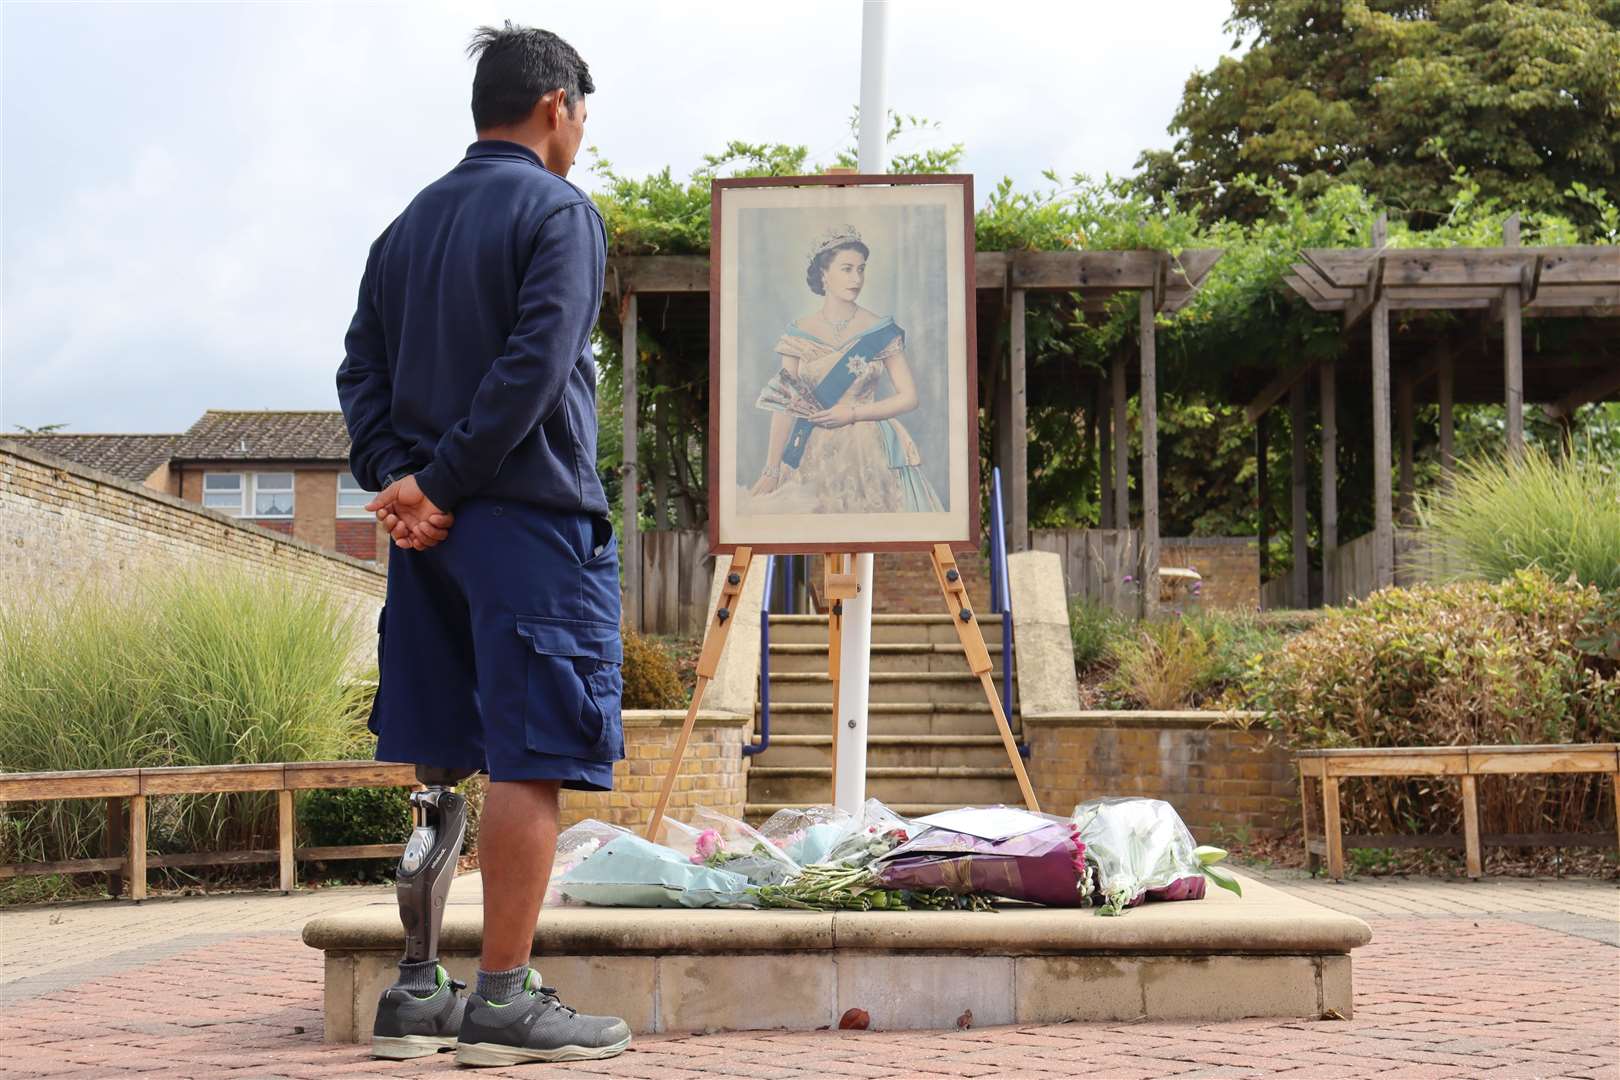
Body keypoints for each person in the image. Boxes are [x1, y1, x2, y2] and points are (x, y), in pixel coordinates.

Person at [335, 22, 630, 1068]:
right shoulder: (559, 212)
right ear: (556, 105)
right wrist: (445, 481)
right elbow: (537, 365)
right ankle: (503, 999)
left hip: (429, 538)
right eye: (584, 113)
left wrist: (399, 482)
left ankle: (417, 991)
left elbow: (358, 370)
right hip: (526, 525)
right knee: (531, 755)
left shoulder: (405, 226)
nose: (584, 132)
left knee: (437, 752)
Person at [743, 225, 944, 515]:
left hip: (870, 448)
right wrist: (772, 468)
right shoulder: (798, 333)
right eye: (847, 269)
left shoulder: (881, 330)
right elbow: (785, 405)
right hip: (812, 448)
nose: (856, 278)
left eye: (861, 270)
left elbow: (909, 397)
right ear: (823, 274)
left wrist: (852, 414)